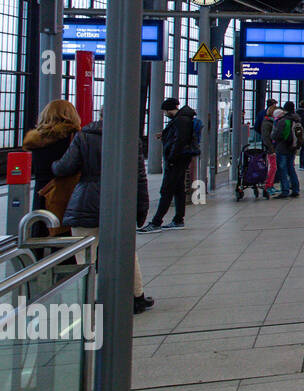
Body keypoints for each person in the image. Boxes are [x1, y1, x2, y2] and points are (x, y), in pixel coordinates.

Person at [52, 115, 154, 314]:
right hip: (120, 203)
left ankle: (85, 299)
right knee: (127, 252)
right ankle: (137, 297)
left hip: (86, 201)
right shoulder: (130, 140)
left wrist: (52, 166)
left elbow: (65, 167)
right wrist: (141, 209)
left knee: (83, 254)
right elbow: (140, 178)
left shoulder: (83, 136)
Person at [140, 97, 198, 231]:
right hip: (180, 159)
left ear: (169, 109)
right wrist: (165, 135)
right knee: (178, 190)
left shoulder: (181, 120)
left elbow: (180, 141)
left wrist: (171, 157)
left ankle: (156, 222)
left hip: (176, 161)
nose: (164, 114)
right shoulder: (182, 119)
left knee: (166, 190)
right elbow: (179, 137)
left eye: (165, 111)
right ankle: (178, 219)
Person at [22, 99, 82, 227]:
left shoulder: (36, 140)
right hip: (66, 192)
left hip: (42, 191)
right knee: (62, 233)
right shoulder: (74, 138)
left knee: (41, 228)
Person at [271, 101, 302, 198]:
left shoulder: (284, 121)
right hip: (292, 147)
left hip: (282, 147)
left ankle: (285, 190)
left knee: (282, 169)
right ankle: (295, 189)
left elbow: (276, 135)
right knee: (291, 168)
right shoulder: (297, 120)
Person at [258, 97, 278, 195]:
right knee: (273, 166)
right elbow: (266, 136)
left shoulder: (270, 121)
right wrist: (271, 149)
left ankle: (270, 184)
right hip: (270, 147)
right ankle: (268, 185)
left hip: (271, 146)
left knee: (273, 166)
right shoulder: (268, 123)